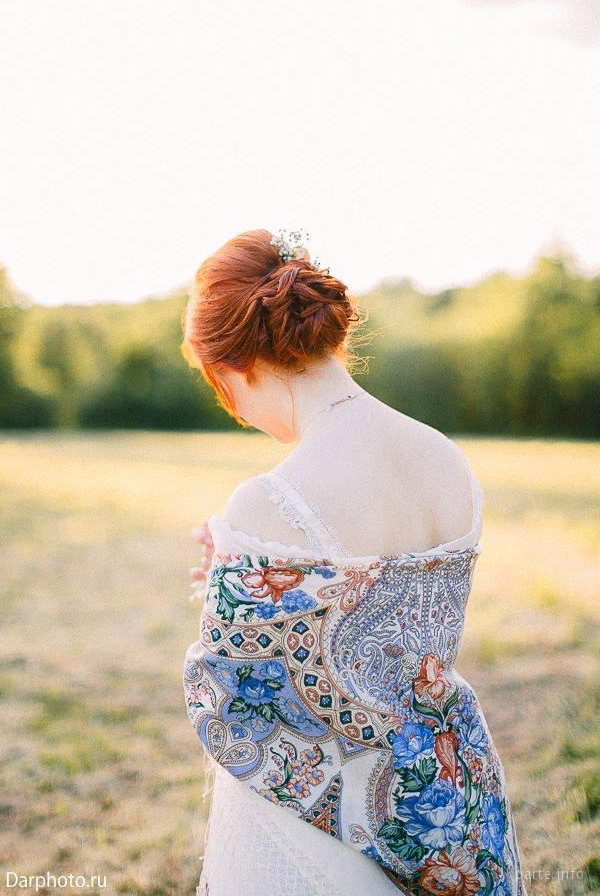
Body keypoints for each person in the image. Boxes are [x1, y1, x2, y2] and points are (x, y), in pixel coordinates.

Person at [182, 229, 527, 895]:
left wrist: (234, 596)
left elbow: (233, 703)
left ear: (238, 367)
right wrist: (256, 584)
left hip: (335, 829)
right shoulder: (446, 458)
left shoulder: (271, 498)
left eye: (222, 389)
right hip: (448, 788)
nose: (242, 416)